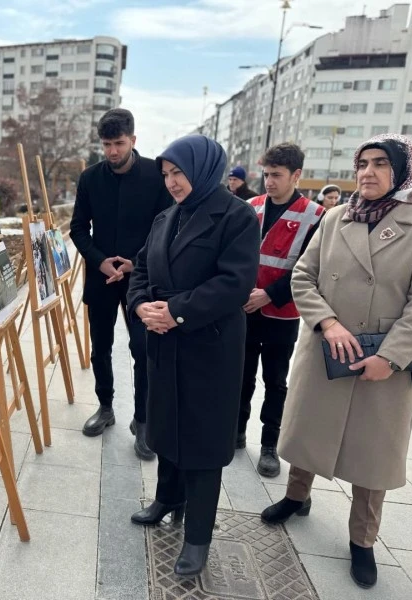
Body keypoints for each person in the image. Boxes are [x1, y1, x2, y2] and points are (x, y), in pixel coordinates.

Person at [262, 133, 412, 589]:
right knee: (309, 427)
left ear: (402, 171)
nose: (367, 171)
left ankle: (362, 541)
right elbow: (304, 275)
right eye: (362, 162)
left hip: (382, 358)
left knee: (372, 452)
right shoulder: (336, 217)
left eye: (381, 163)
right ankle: (296, 495)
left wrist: (392, 356)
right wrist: (327, 323)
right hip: (329, 346)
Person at [127, 134, 260, 576]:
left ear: (203, 169)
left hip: (209, 345)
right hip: (164, 341)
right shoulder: (167, 216)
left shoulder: (237, 216)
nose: (172, 182)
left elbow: (234, 283)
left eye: (178, 172)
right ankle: (168, 498)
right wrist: (141, 303)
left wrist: (177, 313)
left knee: (202, 440)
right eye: (166, 174)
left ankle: (198, 536)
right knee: (165, 425)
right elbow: (142, 265)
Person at [69, 108, 173, 459]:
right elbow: (78, 228)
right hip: (101, 276)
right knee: (100, 346)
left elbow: (165, 228)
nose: (112, 151)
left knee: (143, 349)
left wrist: (134, 263)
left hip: (141, 280)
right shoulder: (90, 178)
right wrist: (100, 260)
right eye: (106, 144)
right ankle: (105, 406)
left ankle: (142, 421)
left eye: (119, 143)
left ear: (133, 140)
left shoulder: (155, 176)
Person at [237, 143, 325, 478]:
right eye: (266, 174)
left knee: (275, 381)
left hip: (283, 313)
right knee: (241, 374)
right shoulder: (251, 206)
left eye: (276, 175)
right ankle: (236, 431)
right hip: (245, 309)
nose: (269, 181)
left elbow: (310, 268)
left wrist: (269, 294)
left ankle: (270, 446)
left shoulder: (315, 216)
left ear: (296, 175)